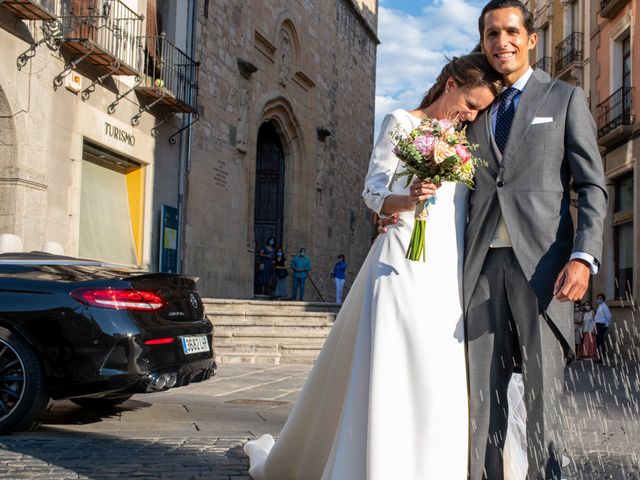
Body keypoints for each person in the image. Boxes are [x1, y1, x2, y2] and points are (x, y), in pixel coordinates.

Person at [244, 53, 503, 479]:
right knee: (396, 359)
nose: (471, 115)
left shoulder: (463, 141)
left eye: (479, 111)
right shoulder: (400, 122)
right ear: (452, 83)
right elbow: (372, 190)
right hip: (401, 258)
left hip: (446, 269)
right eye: (471, 104)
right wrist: (406, 200)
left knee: (438, 367)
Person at [461, 2, 607, 478]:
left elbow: (590, 186)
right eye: (490, 34)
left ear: (530, 39)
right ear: (482, 43)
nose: (500, 41)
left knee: (544, 396)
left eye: (510, 31)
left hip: (544, 270)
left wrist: (583, 257)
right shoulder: (476, 109)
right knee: (482, 396)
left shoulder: (564, 98)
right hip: (480, 267)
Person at [594, 292, 613, 363]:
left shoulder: (604, 306)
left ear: (603, 299)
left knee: (600, 342)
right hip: (598, 325)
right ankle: (600, 357)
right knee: (599, 341)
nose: (598, 300)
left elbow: (609, 316)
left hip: (601, 325)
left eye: (600, 299)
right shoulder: (600, 306)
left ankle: (602, 358)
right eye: (598, 298)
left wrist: (606, 326)